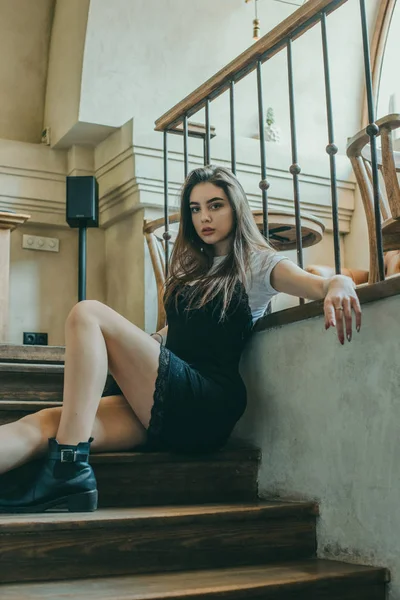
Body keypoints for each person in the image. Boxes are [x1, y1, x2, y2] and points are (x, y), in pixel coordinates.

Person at [0, 165, 361, 514]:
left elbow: (321, 284)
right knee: (49, 422)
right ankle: (69, 464)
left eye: (215, 205)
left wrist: (340, 284)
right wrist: (142, 347)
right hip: (167, 395)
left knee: (87, 312)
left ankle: (69, 468)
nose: (204, 217)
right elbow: (183, 331)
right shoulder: (194, 269)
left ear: (236, 209)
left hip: (205, 402)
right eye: (195, 208)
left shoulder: (260, 263)